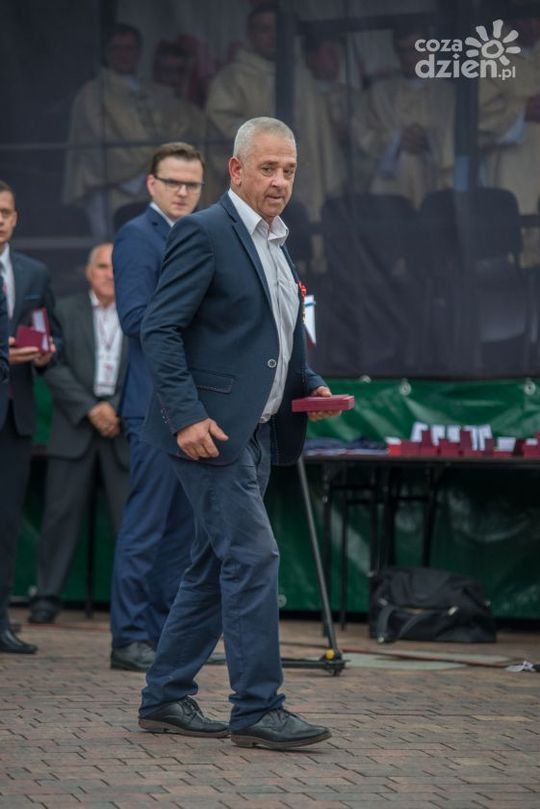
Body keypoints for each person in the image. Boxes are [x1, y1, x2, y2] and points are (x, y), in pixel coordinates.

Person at [138, 117, 341, 750]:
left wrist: (310, 385)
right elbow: (159, 329)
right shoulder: (203, 232)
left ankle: (164, 697)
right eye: (268, 168)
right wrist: (187, 415)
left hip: (258, 433)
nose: (280, 181)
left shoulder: (277, 242)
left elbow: (279, 336)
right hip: (209, 434)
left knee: (211, 567)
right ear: (236, 169)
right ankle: (257, 708)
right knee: (254, 558)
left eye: (289, 170)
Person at [110, 142, 203, 672]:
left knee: (181, 530)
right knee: (146, 526)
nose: (183, 192)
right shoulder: (137, 235)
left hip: (192, 405)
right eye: (173, 182)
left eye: (192, 184)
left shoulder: (198, 233)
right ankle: (129, 637)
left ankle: (164, 635)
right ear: (151, 184)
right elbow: (135, 319)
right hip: (152, 404)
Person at [28, 243, 129, 624]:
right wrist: (90, 408)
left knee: (132, 523)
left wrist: (115, 407)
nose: (110, 274)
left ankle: (131, 605)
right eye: (102, 266)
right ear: (88, 272)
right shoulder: (64, 310)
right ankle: (47, 597)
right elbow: (50, 364)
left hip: (123, 427)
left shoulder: (138, 312)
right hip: (74, 425)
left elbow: (149, 366)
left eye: (116, 267)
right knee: (59, 517)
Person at [204, 3, 345, 223]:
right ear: (251, 34)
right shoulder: (231, 79)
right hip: (259, 181)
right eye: (264, 29)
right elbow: (221, 122)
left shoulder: (303, 78)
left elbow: (321, 134)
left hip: (305, 180)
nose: (272, 36)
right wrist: (266, 138)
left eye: (277, 29)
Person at [63, 23, 204, 239]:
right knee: (115, 245)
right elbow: (97, 140)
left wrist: (159, 169)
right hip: (114, 187)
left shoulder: (156, 91)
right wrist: (152, 163)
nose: (123, 54)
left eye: (129, 48)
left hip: (157, 184)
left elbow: (180, 129)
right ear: (105, 53)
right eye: (116, 48)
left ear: (139, 52)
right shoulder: (92, 94)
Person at [0, 180, 58, 654]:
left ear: (16, 218)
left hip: (14, 418)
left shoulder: (34, 273)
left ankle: (0, 622)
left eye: (5, 212)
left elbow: (50, 334)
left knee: (6, 526)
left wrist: (44, 354)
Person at [352, 23, 455, 207]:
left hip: (439, 187)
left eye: (415, 49)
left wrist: (430, 140)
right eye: (403, 51)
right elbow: (361, 138)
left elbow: (461, 140)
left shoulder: (449, 94)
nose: (409, 57)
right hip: (391, 193)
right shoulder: (378, 94)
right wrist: (396, 140)